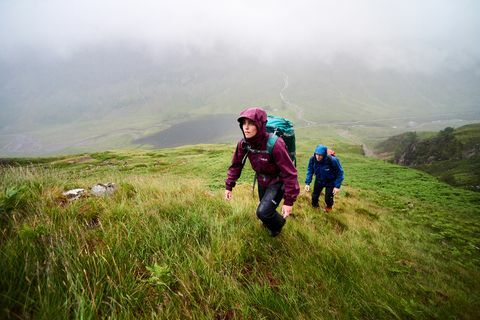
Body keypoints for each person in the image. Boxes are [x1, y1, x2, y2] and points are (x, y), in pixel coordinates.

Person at [225, 107, 300, 237]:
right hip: (262, 180)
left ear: (259, 125)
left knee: (263, 212)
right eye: (244, 123)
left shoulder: (275, 144)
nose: (246, 127)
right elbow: (236, 165)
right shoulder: (244, 144)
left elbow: (290, 173)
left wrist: (289, 202)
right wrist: (229, 186)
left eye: (251, 123)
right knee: (265, 212)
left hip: (277, 182)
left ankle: (278, 228)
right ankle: (269, 225)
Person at [304, 144, 344, 212]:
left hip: (330, 182)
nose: (318, 157)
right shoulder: (313, 159)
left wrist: (337, 186)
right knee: (314, 197)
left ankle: (329, 208)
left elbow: (340, 173)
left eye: (320, 155)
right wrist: (307, 183)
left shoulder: (332, 160)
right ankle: (315, 208)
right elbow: (310, 170)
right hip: (319, 180)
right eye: (317, 154)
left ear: (324, 154)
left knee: (328, 199)